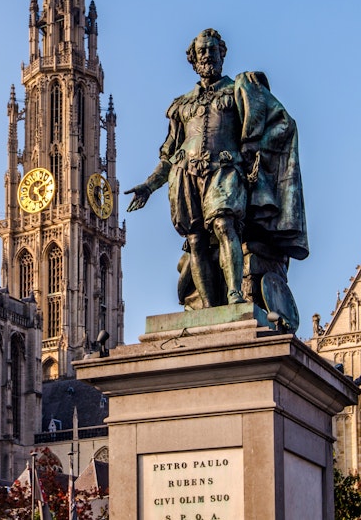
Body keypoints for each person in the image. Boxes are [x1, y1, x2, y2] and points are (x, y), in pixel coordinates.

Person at [125, 29, 308, 331]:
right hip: (185, 175)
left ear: (223, 54)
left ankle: (235, 295)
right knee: (195, 240)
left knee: (225, 225)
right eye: (202, 51)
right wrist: (149, 184)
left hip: (225, 169)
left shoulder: (238, 89)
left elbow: (283, 122)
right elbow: (169, 153)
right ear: (194, 61)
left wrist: (253, 151)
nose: (207, 55)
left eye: (213, 49)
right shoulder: (181, 105)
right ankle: (208, 311)